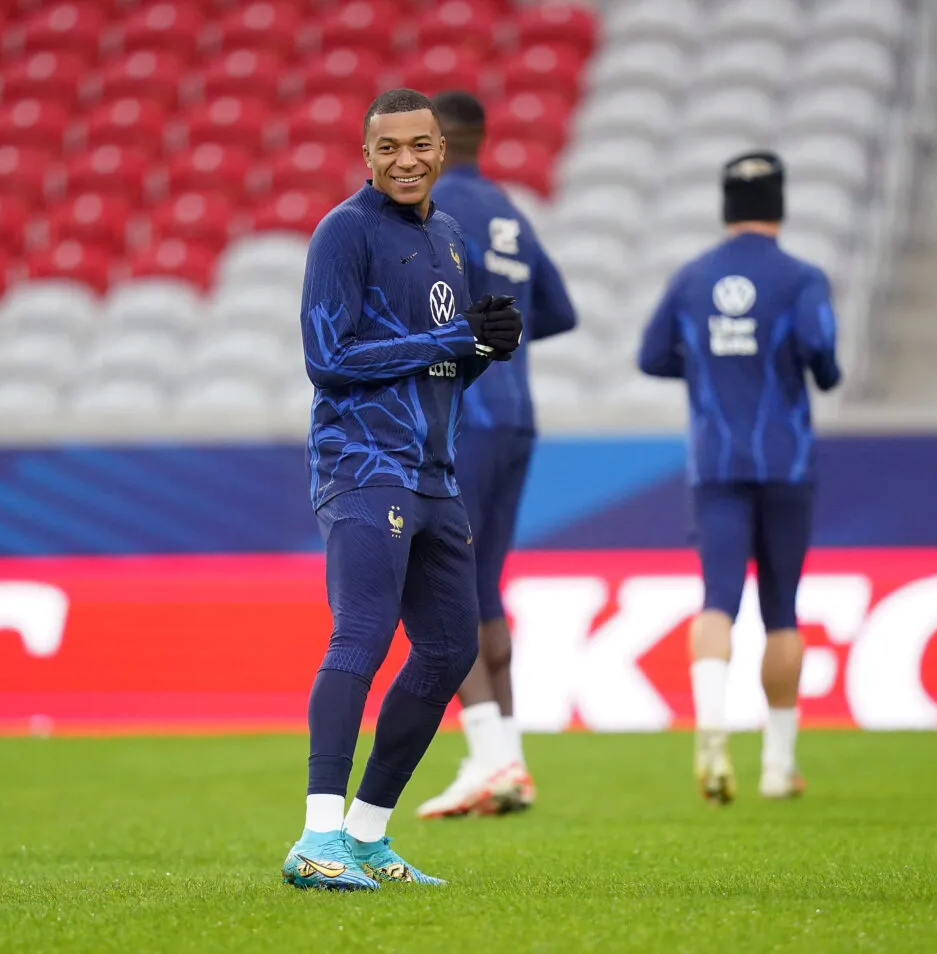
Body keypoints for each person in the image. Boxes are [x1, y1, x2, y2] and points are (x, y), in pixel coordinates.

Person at [283, 88, 523, 891]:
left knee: (452, 648)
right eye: (389, 148)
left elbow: (443, 360)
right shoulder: (343, 233)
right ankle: (315, 838)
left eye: (419, 145)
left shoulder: (451, 238)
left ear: (441, 151)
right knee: (361, 636)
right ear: (367, 156)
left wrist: (487, 347)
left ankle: (365, 834)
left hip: (433, 473)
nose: (406, 160)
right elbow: (330, 358)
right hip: (361, 465)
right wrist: (452, 338)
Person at [636, 151, 841, 804]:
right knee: (781, 612)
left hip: (716, 464)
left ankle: (712, 729)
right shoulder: (803, 277)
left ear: (725, 208)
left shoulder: (694, 276)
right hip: (787, 463)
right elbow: (823, 354)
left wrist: (705, 366)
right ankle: (779, 766)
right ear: (780, 206)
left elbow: (649, 356)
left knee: (717, 598)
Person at [415, 90, 578, 820]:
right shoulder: (509, 210)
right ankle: (507, 760)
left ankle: (490, 757)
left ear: (439, 142)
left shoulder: (431, 212)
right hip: (517, 417)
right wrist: (504, 335)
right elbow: (561, 310)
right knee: (483, 587)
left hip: (462, 419)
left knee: (435, 583)